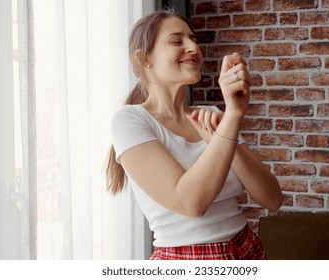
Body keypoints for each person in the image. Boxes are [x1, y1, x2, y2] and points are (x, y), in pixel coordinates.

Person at [105, 10, 282, 260]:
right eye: (177, 41)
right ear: (145, 59)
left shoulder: (210, 115)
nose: (193, 47)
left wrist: (224, 131)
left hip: (246, 248)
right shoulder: (129, 120)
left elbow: (273, 198)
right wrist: (230, 119)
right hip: (187, 259)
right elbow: (191, 203)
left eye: (193, 39)